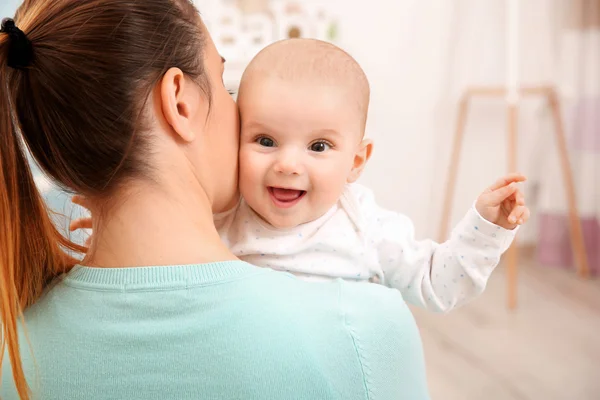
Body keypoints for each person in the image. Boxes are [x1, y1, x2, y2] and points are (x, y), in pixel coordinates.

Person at [0, 1, 430, 400]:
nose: (239, 113)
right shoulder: (362, 333)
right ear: (180, 103)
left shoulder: (14, 354)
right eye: (224, 84)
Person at [212, 38, 530, 312]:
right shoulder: (222, 217)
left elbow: (438, 284)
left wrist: (485, 229)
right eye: (266, 141)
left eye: (318, 146)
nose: (288, 165)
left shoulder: (366, 226)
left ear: (356, 161)